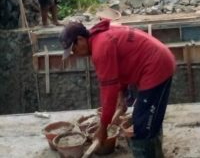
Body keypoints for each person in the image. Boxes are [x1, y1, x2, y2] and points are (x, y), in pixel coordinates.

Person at [59, 19, 176, 158]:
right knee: (150, 120)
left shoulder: (101, 48)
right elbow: (118, 68)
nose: (75, 53)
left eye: (74, 49)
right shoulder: (100, 36)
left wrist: (103, 129)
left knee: (142, 127)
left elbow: (108, 93)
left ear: (80, 39)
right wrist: (122, 96)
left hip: (157, 68)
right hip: (155, 62)